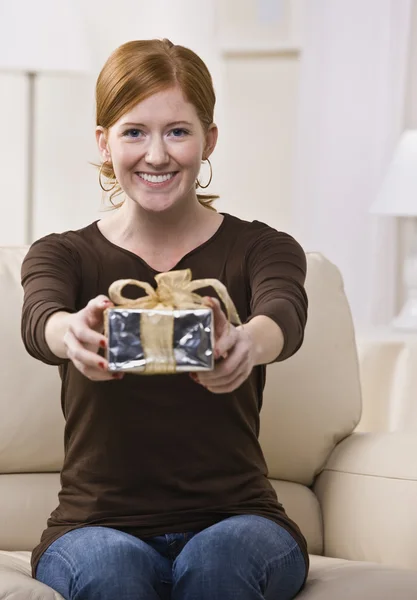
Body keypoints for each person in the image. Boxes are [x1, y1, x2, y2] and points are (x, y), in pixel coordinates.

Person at [21, 39, 309, 600]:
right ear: (105, 142)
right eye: (134, 132)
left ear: (209, 140)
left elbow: (284, 313)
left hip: (239, 519)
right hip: (93, 528)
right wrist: (71, 334)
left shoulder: (260, 248)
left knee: (219, 564)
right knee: (114, 574)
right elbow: (40, 319)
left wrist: (248, 341)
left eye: (178, 131)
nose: (157, 154)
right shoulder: (62, 255)